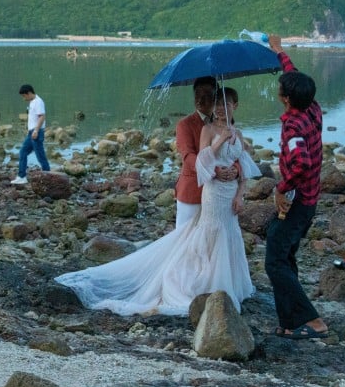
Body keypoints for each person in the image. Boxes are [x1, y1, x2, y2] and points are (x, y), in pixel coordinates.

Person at [55, 87, 260, 316]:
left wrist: (236, 175)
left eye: (224, 103)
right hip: (203, 190)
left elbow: (244, 164)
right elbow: (193, 158)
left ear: (234, 105)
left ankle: (226, 283)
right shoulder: (193, 126)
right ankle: (187, 281)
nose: (217, 106)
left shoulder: (238, 133)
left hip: (229, 193)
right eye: (212, 101)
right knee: (192, 240)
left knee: (221, 236)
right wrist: (216, 163)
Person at [265, 35, 329, 340]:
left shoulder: (293, 126)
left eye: (281, 89)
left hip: (297, 201)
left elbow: (301, 163)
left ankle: (312, 320)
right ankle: (289, 322)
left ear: (287, 99)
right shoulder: (313, 107)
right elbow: (294, 77)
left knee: (275, 260)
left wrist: (281, 187)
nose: (279, 89)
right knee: (285, 255)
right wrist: (279, 52)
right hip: (310, 199)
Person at [174, 76, 240, 228]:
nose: (201, 100)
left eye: (207, 96)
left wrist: (236, 170)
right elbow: (188, 157)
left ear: (216, 98)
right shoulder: (185, 124)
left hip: (220, 195)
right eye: (197, 95)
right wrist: (213, 170)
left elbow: (234, 154)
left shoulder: (225, 124)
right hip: (193, 191)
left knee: (213, 237)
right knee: (185, 237)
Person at [11, 84, 49, 184]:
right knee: (23, 152)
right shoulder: (32, 102)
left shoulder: (38, 102)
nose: (24, 98)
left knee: (41, 156)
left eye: (24, 96)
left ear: (29, 93)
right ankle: (22, 176)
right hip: (31, 133)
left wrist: (36, 130)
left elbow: (42, 117)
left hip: (37, 133)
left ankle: (48, 177)